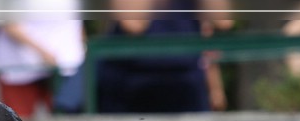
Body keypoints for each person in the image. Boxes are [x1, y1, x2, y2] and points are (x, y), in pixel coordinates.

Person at [96, 0, 233, 114]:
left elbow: (223, 21)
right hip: (134, 88)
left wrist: (215, 86)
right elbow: (134, 25)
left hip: (185, 87)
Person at [0, 7, 85, 119]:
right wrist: (43, 53)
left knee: (65, 118)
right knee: (18, 120)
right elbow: (9, 24)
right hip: (19, 68)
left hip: (66, 67)